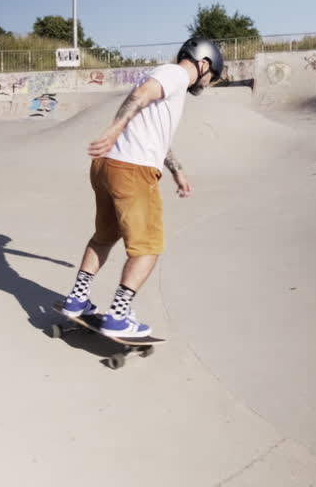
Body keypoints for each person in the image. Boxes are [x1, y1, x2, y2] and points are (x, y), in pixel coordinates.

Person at [60, 36, 224, 337]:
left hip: (107, 166)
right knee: (149, 247)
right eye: (212, 77)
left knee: (104, 236)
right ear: (204, 64)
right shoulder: (175, 74)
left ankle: (77, 300)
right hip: (132, 170)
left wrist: (177, 170)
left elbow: (156, 134)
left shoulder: (169, 82)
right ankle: (118, 316)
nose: (208, 83)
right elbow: (143, 94)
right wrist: (113, 129)